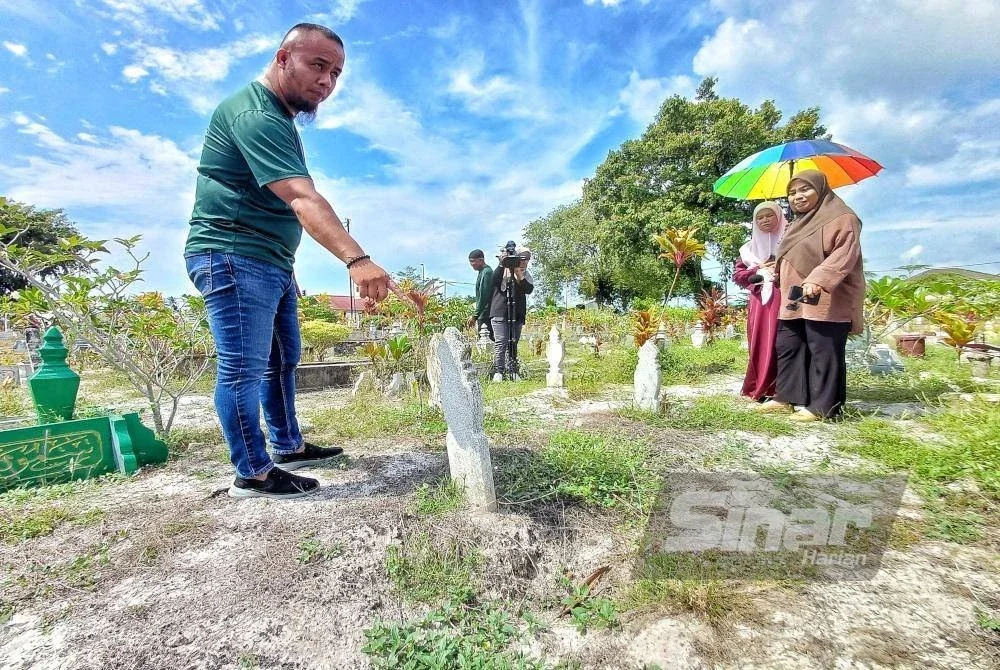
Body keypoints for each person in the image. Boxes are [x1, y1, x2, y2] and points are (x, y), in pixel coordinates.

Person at [184, 23, 392, 499]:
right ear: (283, 58)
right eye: (318, 65)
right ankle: (253, 471)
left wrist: (288, 267)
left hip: (268, 261)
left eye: (336, 73)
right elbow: (300, 197)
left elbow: (279, 203)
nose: (327, 82)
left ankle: (288, 445)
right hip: (233, 256)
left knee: (283, 359)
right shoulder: (254, 114)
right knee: (242, 367)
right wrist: (357, 259)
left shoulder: (280, 121)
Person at [756, 169, 865, 422]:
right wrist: (773, 269)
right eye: (792, 192)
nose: (798, 197)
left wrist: (818, 279)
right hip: (793, 298)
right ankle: (786, 397)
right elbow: (792, 256)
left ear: (821, 189)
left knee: (823, 348)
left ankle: (823, 407)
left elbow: (844, 255)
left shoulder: (843, 218)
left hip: (827, 296)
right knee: (789, 346)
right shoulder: (796, 224)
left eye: (805, 189)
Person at [733, 201, 788, 402]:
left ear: (779, 217)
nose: (765, 220)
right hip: (760, 302)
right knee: (760, 342)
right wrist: (758, 269)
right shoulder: (748, 249)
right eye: (760, 217)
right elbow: (738, 276)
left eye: (770, 215)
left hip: (786, 297)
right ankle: (760, 386)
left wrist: (781, 267)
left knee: (784, 342)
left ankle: (784, 390)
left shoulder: (790, 240)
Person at [489, 245, 533, 381]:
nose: (524, 261)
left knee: (513, 342)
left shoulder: (526, 274)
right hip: (500, 311)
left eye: (527, 259)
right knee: (501, 342)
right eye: (522, 258)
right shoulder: (502, 270)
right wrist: (502, 264)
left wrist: (519, 274)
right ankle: (499, 371)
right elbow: (493, 281)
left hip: (517, 313)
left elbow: (528, 289)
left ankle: (513, 370)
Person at [466, 249, 494, 340]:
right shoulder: (482, 272)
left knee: (486, 343)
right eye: (471, 262)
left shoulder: (487, 272)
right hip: (483, 313)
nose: (472, 264)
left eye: (473, 262)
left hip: (486, 313)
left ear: (481, 260)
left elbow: (483, 296)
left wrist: (475, 316)